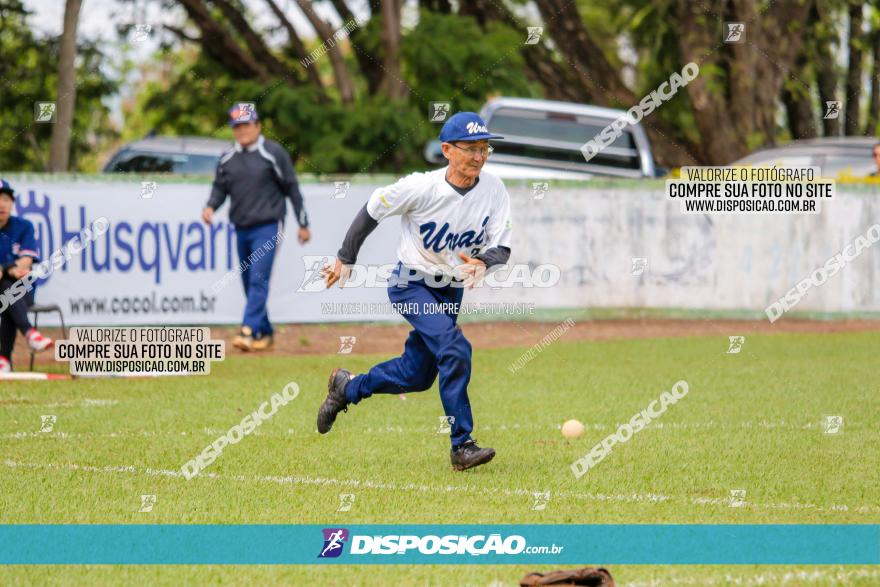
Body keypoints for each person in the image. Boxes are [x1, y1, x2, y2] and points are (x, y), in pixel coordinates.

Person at [318, 112, 513, 471]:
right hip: (411, 284)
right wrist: (345, 256)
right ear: (446, 150)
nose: (479, 157)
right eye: (470, 148)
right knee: (455, 348)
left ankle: (347, 387)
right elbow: (373, 208)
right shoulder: (421, 187)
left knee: (417, 376)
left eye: (484, 148)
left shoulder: (494, 190)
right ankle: (462, 446)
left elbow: (502, 246)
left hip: (450, 289)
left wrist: (484, 262)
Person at [202, 104, 311, 351]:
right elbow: (220, 188)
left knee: (258, 279)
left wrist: (303, 223)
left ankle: (247, 330)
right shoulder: (228, 157)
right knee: (248, 280)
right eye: (237, 127)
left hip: (269, 227)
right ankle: (266, 332)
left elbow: (292, 188)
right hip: (241, 228)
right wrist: (210, 207)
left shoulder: (273, 153)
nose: (242, 131)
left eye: (246, 125)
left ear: (257, 126)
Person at [0, 179, 54, 373]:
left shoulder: (24, 226)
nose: (1, 204)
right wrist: (9, 269)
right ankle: (29, 334)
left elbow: (26, 263)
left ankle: (4, 359)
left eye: (5, 198)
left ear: (12, 202)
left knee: (7, 289)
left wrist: (6, 270)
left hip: (24, 291)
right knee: (6, 287)